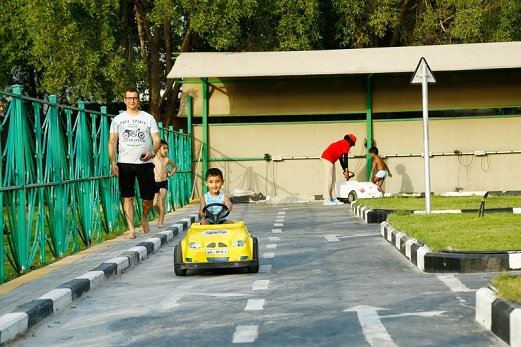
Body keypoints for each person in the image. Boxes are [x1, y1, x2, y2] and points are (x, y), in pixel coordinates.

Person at [108, 87, 161, 239]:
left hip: (145, 163)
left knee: (148, 198)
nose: (132, 100)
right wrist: (113, 162)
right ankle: (132, 229)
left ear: (138, 100)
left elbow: (157, 140)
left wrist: (152, 152)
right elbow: (112, 142)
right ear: (124, 100)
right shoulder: (118, 120)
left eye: (135, 98)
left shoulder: (148, 118)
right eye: (129, 98)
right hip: (124, 163)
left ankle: (144, 217)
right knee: (128, 197)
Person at [321, 133, 357, 206]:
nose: (351, 146)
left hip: (331, 160)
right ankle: (326, 199)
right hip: (327, 158)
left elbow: (340, 158)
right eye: (352, 144)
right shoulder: (346, 144)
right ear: (351, 141)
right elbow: (346, 158)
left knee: (333, 179)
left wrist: (344, 169)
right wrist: (346, 171)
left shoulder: (342, 143)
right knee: (329, 179)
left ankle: (333, 198)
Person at [153, 140, 178, 228]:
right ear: (158, 149)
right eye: (164, 148)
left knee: (162, 201)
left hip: (164, 182)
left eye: (167, 148)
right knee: (154, 204)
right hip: (155, 182)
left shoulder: (166, 160)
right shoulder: (153, 159)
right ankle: (161, 215)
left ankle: (160, 222)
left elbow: (175, 166)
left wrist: (170, 174)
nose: (166, 150)